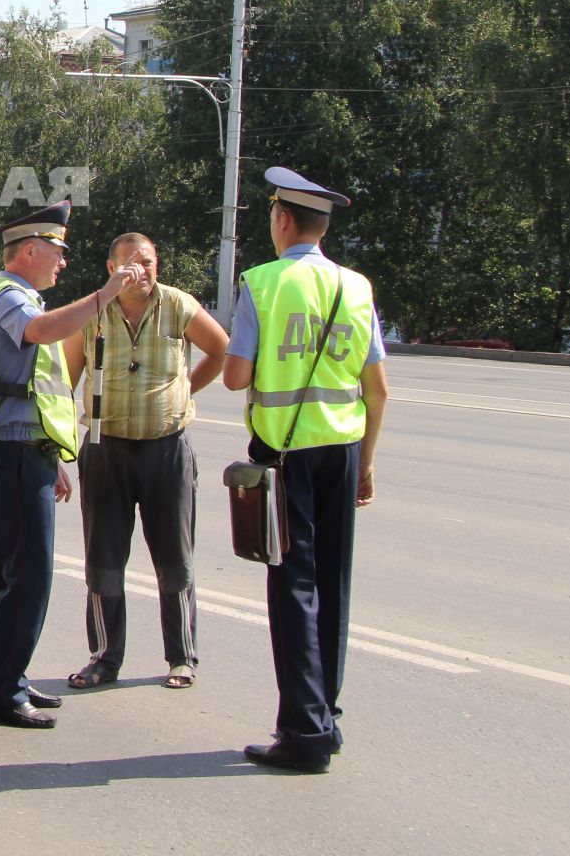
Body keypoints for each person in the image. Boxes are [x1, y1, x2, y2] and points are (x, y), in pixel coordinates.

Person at [223, 166, 390, 774]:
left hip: (285, 456)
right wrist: (367, 462)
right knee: (333, 586)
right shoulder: (357, 287)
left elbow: (236, 374)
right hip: (343, 452)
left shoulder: (263, 283)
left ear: (283, 219)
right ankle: (328, 716)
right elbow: (378, 389)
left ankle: (303, 733)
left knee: (292, 588)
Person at [0, 201, 147, 729]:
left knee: (11, 572)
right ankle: (3, 693)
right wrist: (106, 294)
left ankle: (7, 681)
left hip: (27, 448)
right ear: (29, 250)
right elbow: (41, 332)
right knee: (27, 574)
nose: (63, 261)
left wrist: (51, 451)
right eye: (58, 251)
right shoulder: (9, 297)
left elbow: (37, 389)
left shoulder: (23, 297)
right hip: (13, 451)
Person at [61, 233, 229, 692]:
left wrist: (184, 391)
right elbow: (67, 380)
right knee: (104, 560)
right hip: (104, 447)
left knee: (175, 559)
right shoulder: (91, 310)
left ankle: (181, 657)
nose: (142, 271)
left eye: (149, 262)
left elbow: (220, 349)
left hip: (166, 448)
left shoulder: (177, 304)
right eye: (131, 264)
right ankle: (103, 658)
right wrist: (57, 450)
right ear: (111, 267)